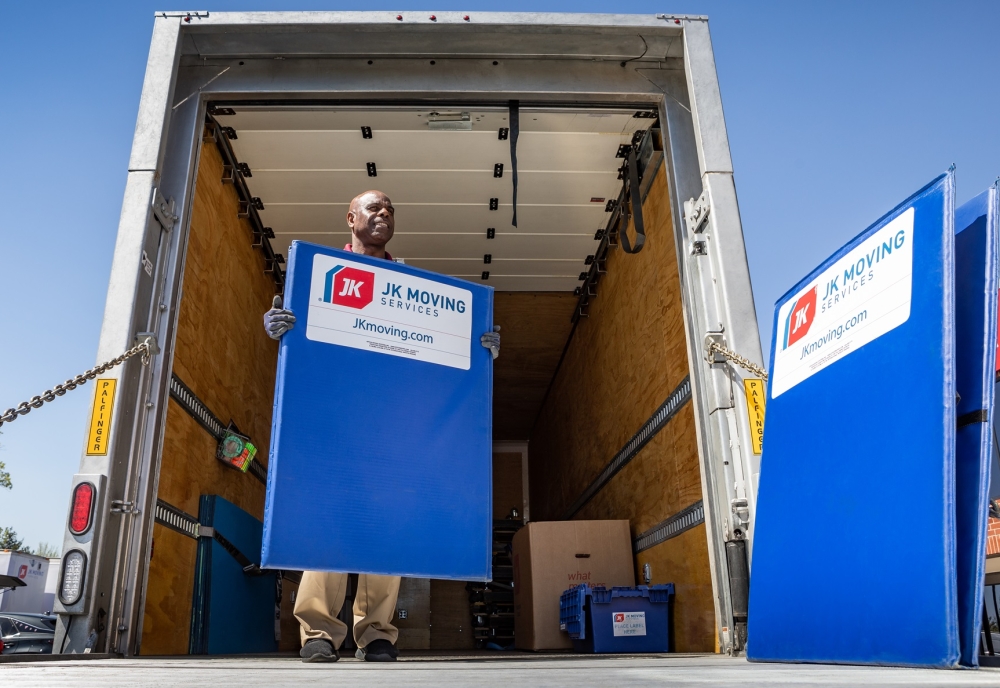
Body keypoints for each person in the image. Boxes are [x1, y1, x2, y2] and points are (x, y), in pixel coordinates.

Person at [263, 190, 500, 663]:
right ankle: (318, 633)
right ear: (350, 219)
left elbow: (431, 357)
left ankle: (375, 634)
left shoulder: (411, 287)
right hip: (336, 428)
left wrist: (480, 347)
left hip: (390, 431)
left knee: (386, 526)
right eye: (373, 207)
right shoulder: (321, 274)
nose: (383, 213)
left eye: (390, 209)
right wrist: (280, 325)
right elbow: (312, 346)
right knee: (329, 522)